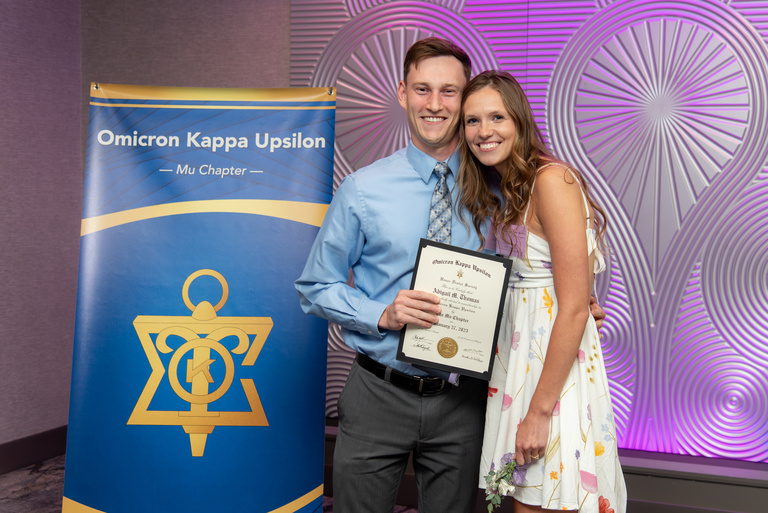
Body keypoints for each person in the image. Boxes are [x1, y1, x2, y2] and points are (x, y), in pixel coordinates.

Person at [296, 38, 606, 513]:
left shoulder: (507, 187)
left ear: (465, 100)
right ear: (403, 94)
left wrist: (569, 306)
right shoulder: (363, 188)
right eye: (423, 89)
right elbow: (316, 287)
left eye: (449, 92)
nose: (435, 104)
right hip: (380, 389)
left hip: (466, 400)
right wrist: (382, 312)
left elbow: (540, 270)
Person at [456, 70, 626, 512]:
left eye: (497, 117)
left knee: (547, 498)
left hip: (549, 379)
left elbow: (571, 308)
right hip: (520, 367)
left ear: (520, 121)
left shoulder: (551, 181)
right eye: (472, 121)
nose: (484, 131)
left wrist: (538, 412)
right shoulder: (508, 189)